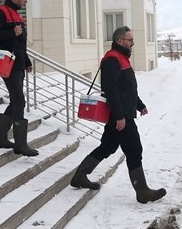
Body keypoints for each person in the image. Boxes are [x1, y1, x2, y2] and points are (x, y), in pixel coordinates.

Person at [66, 26, 166, 203]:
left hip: (123, 113)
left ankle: (80, 176)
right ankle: (142, 191)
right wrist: (120, 116)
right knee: (134, 150)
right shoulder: (112, 59)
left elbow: (127, 89)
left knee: (108, 147)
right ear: (120, 41)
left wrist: (139, 105)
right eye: (130, 40)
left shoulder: (122, 58)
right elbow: (111, 90)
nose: (133, 43)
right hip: (121, 116)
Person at [0, 0, 37, 156]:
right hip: (7, 63)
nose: (26, 0)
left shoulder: (16, 14)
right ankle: (20, 144)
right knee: (19, 101)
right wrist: (11, 32)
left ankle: (1, 138)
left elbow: (19, 42)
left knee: (16, 101)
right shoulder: (0, 12)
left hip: (18, 63)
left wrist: (27, 60)